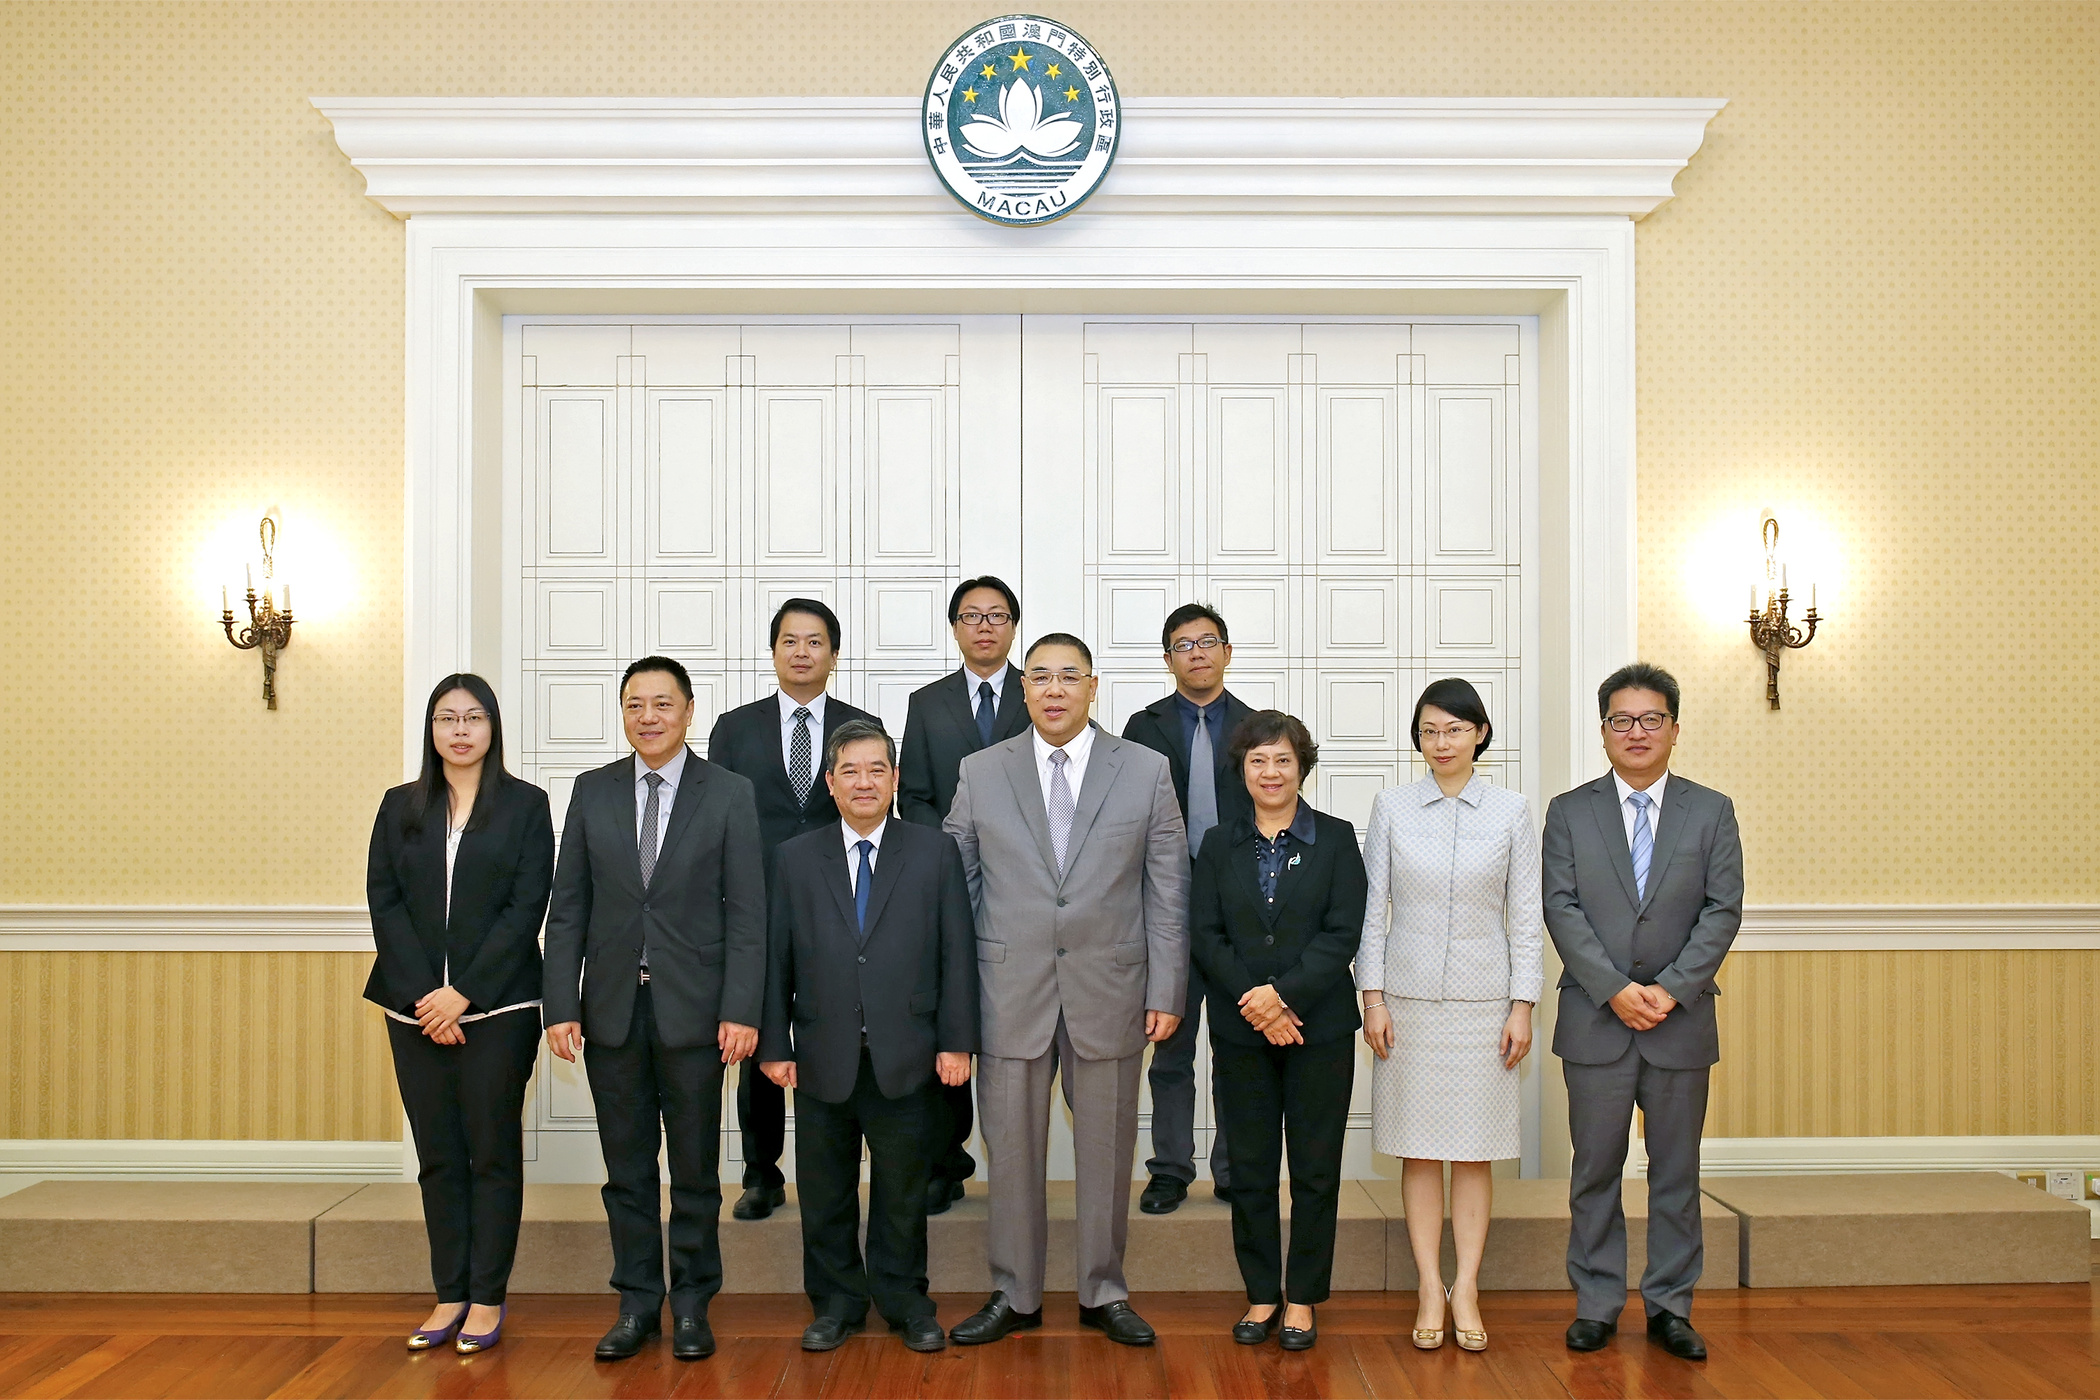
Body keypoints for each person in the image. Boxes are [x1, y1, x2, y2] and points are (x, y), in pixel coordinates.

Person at [942, 633, 1189, 1348]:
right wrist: (956, 999)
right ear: (1023, 689)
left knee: (1107, 1151)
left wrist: (1167, 988)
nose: (1054, 689)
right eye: (1040, 677)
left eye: (1069, 676)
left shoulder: (1144, 769)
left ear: (1092, 687)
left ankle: (1103, 1290)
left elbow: (1168, 890)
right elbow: (955, 893)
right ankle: (1014, 1292)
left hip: (1111, 989)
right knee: (1011, 1153)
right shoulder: (981, 771)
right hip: (1006, 990)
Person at [542, 655, 766, 1363]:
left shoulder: (728, 792)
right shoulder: (593, 790)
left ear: (689, 711)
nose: (649, 717)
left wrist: (741, 1008)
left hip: (697, 1014)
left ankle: (693, 1303)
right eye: (635, 705)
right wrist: (560, 1003)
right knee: (627, 1172)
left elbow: (748, 913)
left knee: (695, 1171)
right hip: (611, 1011)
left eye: (663, 704)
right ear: (623, 713)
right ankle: (637, 1303)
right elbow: (568, 905)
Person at [759, 719, 979, 1355]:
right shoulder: (795, 858)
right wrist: (774, 1044)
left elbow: (957, 954)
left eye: (876, 770)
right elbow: (775, 958)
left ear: (896, 779)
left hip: (908, 1054)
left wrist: (956, 1041)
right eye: (850, 771)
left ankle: (906, 1301)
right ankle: (835, 1304)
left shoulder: (933, 852)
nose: (864, 782)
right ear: (829, 783)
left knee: (902, 1193)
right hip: (820, 1054)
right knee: (825, 1193)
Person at [1546, 663, 1742, 1363]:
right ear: (1603, 731)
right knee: (1595, 1171)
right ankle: (1597, 1303)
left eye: (1651, 719)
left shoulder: (1710, 810)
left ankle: (1670, 1306)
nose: (1637, 731)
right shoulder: (1569, 812)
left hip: (1678, 1021)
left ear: (1674, 729)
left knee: (1676, 1174)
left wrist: (1672, 988)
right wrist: (1613, 989)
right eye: (1622, 720)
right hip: (1596, 1021)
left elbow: (1722, 909)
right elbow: (1560, 906)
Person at [366, 674, 553, 1357]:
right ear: (432, 730)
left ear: (492, 727)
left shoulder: (526, 805)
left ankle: (487, 1296)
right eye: (447, 718)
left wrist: (463, 993)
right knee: (439, 1157)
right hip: (412, 1011)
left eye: (474, 717)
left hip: (499, 1007)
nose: (461, 729)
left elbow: (526, 908)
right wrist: (427, 995)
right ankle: (449, 1292)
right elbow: (384, 900)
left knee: (492, 1154)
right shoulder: (400, 806)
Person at [1356, 677, 1542, 1354]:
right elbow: (1372, 911)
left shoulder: (1512, 811)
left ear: (1480, 734)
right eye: (1430, 731)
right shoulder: (1393, 808)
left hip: (1485, 1005)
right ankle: (1428, 1286)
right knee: (1418, 1149)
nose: (1442, 743)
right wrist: (1372, 998)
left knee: (1473, 1153)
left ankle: (1466, 1286)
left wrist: (1522, 1006)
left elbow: (1526, 917)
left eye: (1456, 730)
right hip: (1405, 1005)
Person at [1189, 711, 1366, 1353]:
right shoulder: (1217, 844)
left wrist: (1283, 996)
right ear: (1242, 770)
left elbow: (1343, 932)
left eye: (1283, 760)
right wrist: (1257, 1003)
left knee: (1315, 1169)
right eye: (1258, 760)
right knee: (1251, 1167)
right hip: (1242, 1031)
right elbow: (1205, 933)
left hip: (1320, 1029)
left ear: (1302, 767)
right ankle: (1262, 1292)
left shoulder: (1337, 839)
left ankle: (1303, 1298)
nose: (1271, 772)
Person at [705, 598, 878, 1221]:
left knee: (839, 1028)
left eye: (815, 642)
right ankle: (761, 1173)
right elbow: (714, 818)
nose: (802, 652)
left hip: (840, 901)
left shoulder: (861, 724)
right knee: (759, 1028)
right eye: (790, 641)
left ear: (834, 654)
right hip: (756, 902)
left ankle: (839, 1168)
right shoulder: (735, 727)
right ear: (773, 651)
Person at [896, 575, 1030, 1215]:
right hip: (945, 882)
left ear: (1013, 628)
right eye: (971, 616)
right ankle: (945, 1160)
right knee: (947, 1018)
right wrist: (948, 855)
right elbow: (915, 794)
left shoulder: (1040, 693)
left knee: (1014, 1025)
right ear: (954, 628)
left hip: (1028, 886)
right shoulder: (927, 703)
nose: (984, 626)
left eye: (997, 615)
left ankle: (1016, 1168)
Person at [1119, 602, 1252, 1214]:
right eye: (1183, 644)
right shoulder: (1142, 728)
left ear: (1227, 651)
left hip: (1238, 912)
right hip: (1164, 906)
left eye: (1207, 641)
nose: (1196, 653)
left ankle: (1234, 1168)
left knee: (1235, 1048)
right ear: (1168, 659)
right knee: (1169, 1043)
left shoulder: (1257, 728)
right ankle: (1170, 1169)